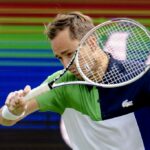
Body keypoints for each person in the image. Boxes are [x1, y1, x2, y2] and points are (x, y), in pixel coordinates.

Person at [0, 11, 150, 150]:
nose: (66, 65)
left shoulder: (142, 77)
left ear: (91, 43)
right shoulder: (60, 85)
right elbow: (5, 119)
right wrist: (13, 110)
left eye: (70, 54)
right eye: (60, 58)